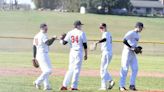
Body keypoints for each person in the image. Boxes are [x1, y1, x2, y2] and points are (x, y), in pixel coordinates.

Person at [60, 20, 88, 90]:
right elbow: (85, 45)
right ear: (77, 26)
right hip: (79, 52)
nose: (81, 26)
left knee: (70, 69)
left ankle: (64, 85)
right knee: (77, 70)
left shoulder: (70, 32)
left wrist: (61, 39)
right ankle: (74, 87)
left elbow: (64, 43)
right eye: (80, 25)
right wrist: (86, 54)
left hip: (72, 52)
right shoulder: (82, 33)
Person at [119, 22, 144, 91]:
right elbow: (124, 40)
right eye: (141, 27)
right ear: (138, 27)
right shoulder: (131, 32)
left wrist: (138, 49)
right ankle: (121, 86)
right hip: (127, 52)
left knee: (135, 69)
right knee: (125, 68)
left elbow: (134, 44)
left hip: (132, 53)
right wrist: (131, 47)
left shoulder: (138, 35)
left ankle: (132, 85)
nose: (142, 29)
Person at [32, 23, 57, 90]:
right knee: (48, 70)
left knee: (45, 71)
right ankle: (37, 82)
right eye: (46, 28)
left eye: (47, 28)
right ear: (42, 28)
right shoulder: (43, 35)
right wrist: (53, 38)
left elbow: (34, 47)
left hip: (39, 55)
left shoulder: (36, 36)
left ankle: (47, 86)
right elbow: (48, 43)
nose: (47, 30)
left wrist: (34, 57)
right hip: (43, 54)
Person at [95, 23, 115, 90]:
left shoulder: (106, 33)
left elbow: (104, 39)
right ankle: (109, 81)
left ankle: (105, 85)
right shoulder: (108, 33)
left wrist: (97, 42)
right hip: (107, 52)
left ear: (105, 27)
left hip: (106, 53)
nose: (101, 29)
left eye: (102, 27)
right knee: (103, 69)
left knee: (102, 70)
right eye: (100, 27)